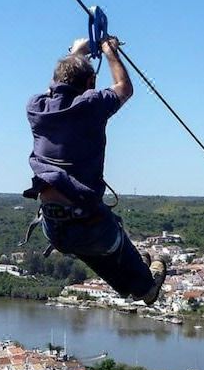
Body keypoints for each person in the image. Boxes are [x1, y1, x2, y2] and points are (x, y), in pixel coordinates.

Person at [22, 35, 166, 304]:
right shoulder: (91, 105)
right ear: (89, 84)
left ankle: (129, 284)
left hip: (53, 227)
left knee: (92, 245)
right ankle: (145, 286)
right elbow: (124, 87)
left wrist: (75, 54)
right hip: (88, 224)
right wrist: (110, 52)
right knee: (110, 238)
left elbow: (57, 87)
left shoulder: (36, 108)